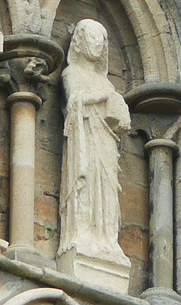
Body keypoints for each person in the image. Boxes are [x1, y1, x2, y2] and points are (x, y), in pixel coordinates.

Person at [58, 19, 131, 272]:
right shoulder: (71, 73)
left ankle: (107, 240)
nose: (97, 45)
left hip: (106, 140)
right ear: (79, 42)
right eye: (91, 39)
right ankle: (83, 235)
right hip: (84, 137)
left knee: (107, 188)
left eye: (101, 41)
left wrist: (120, 112)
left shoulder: (107, 83)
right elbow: (74, 101)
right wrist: (104, 97)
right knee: (87, 184)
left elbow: (116, 114)